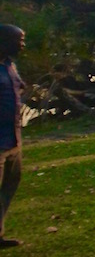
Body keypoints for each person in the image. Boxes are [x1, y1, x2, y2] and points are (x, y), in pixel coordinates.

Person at [0, 24, 25, 249]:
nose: (22, 45)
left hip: (13, 139)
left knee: (10, 184)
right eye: (19, 41)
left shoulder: (9, 65)